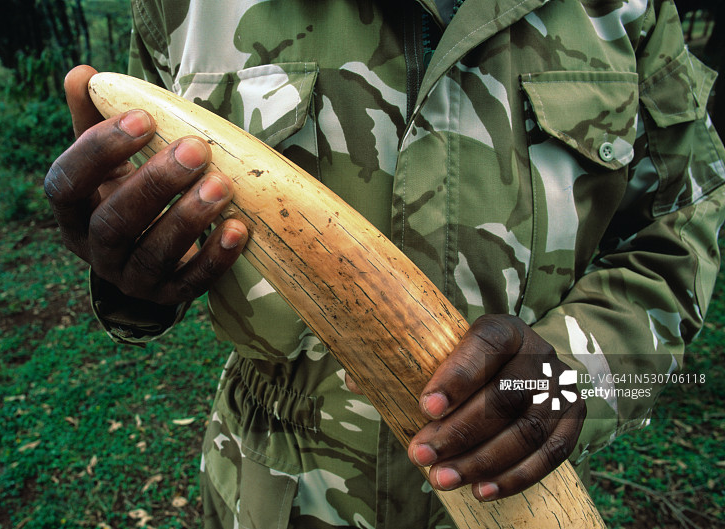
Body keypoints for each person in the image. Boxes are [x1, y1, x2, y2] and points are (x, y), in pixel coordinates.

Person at [45, 0, 725, 527]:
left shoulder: (630, 11)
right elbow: (145, 213)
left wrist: (571, 373)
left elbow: (680, 225)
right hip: (275, 499)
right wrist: (133, 279)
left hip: (521, 500)